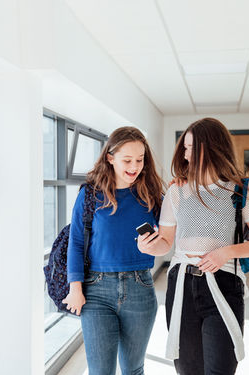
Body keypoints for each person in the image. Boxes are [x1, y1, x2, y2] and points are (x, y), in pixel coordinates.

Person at [137, 117, 249, 374]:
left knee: (221, 367)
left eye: (191, 148)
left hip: (223, 284)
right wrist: (148, 247)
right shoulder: (177, 191)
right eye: (184, 148)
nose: (185, 154)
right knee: (187, 369)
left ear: (211, 148)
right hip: (182, 286)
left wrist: (226, 252)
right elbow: (165, 243)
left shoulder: (243, 191)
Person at [63, 126, 164, 375]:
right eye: (127, 160)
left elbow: (168, 237)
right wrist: (75, 288)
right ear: (110, 157)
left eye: (140, 160)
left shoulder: (151, 194)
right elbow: (76, 243)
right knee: (100, 371)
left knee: (133, 369)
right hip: (96, 290)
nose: (135, 166)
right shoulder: (89, 195)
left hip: (140, 287)